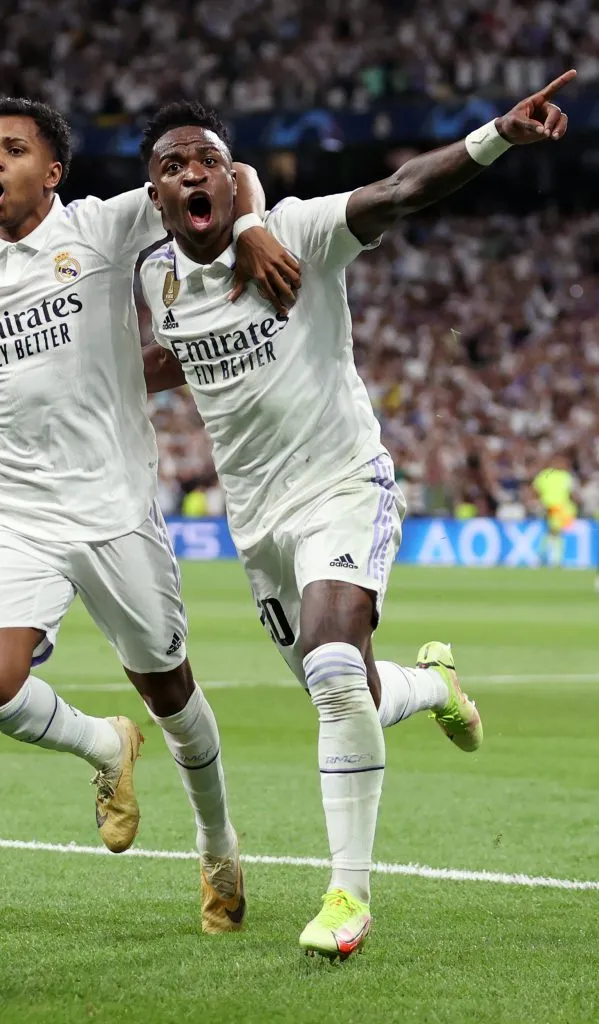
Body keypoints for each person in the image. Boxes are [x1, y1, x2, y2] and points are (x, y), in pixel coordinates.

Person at [139, 77, 573, 958]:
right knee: (352, 691)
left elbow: (402, 190)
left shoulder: (296, 229)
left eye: (208, 161)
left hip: (343, 481)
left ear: (234, 179)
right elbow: (165, 360)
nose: (191, 174)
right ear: (153, 194)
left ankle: (347, 897)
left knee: (334, 668)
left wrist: (495, 135)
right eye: (171, 165)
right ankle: (434, 685)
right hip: (256, 524)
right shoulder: (153, 278)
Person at [0, 97, 299, 933]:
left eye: (13, 150)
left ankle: (217, 844)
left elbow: (223, 171)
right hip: (15, 512)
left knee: (170, 691)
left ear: (50, 173)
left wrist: (252, 228)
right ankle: (103, 745)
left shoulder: (101, 227)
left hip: (114, 511)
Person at [531, 454, 577, 568]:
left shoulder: (564, 476)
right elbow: (535, 489)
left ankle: (545, 558)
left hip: (561, 509)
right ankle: (553, 559)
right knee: (555, 532)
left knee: (554, 532)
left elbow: (571, 493)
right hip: (552, 508)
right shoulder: (547, 474)